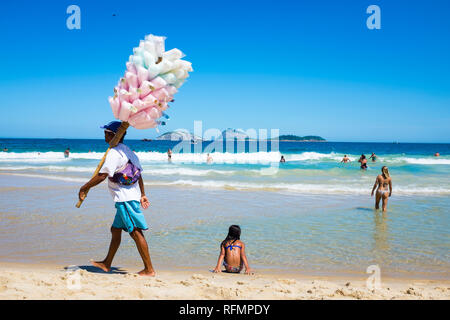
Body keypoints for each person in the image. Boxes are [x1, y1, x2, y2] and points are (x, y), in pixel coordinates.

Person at [78, 121, 155, 276]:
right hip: (127, 198)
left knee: (135, 232)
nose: (104, 135)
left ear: (112, 134)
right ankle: (107, 263)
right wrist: (143, 194)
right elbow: (139, 174)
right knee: (115, 229)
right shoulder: (128, 151)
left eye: (106, 132)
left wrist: (84, 187)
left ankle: (149, 269)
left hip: (125, 199)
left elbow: (102, 176)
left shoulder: (113, 153)